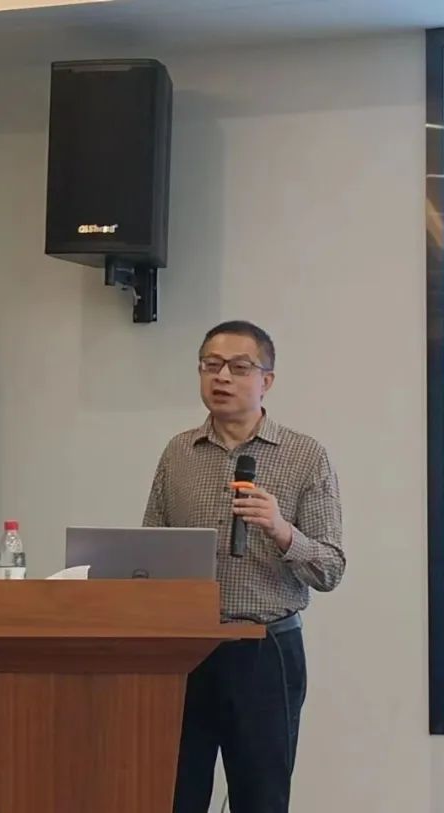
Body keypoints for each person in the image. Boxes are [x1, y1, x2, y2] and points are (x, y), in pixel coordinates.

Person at [143, 320, 344, 813]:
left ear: (266, 380)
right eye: (211, 365)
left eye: (238, 367)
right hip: (184, 651)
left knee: (261, 799)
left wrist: (281, 529)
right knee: (173, 794)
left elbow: (330, 568)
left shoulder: (304, 455)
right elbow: (148, 549)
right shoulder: (178, 452)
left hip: (265, 652)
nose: (222, 377)